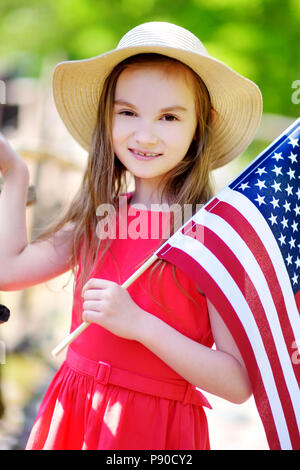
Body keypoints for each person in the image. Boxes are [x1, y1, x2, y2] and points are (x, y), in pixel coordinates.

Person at [0, 21, 262, 450]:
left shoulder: (210, 235)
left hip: (153, 432)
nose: (144, 134)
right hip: (76, 413)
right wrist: (15, 175)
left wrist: (140, 324)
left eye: (170, 117)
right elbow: (8, 269)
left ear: (202, 124)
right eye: (127, 112)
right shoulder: (97, 216)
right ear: (108, 115)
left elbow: (236, 383)